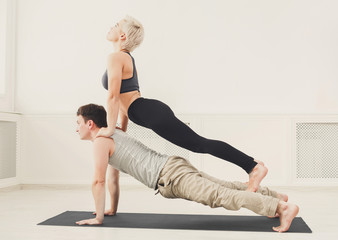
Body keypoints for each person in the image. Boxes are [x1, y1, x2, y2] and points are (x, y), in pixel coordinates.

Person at [97, 15, 266, 192]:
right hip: (149, 110)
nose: (111, 26)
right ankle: (252, 164)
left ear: (122, 36)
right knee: (199, 144)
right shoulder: (125, 58)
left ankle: (253, 167)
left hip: (150, 113)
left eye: (116, 25)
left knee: (199, 144)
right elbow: (126, 96)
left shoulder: (115, 57)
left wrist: (109, 128)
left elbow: (113, 97)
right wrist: (122, 128)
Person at [75, 104, 299, 233]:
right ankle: (274, 196)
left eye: (78, 123)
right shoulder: (113, 133)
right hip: (173, 166)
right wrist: (110, 209)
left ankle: (280, 207)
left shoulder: (100, 142)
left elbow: (99, 181)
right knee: (224, 187)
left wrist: (99, 219)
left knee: (220, 196)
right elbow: (113, 179)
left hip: (170, 176)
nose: (76, 128)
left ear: (90, 123)